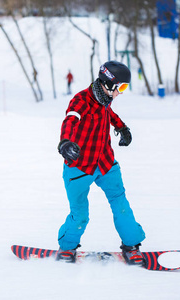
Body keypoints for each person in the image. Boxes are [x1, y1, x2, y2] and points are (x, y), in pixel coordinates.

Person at [56, 61, 146, 265]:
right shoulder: (80, 100)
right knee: (80, 214)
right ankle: (67, 247)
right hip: (79, 166)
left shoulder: (105, 100)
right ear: (108, 83)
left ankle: (132, 245)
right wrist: (65, 142)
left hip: (105, 163)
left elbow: (109, 114)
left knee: (121, 204)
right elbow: (71, 119)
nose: (121, 93)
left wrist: (122, 128)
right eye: (121, 87)